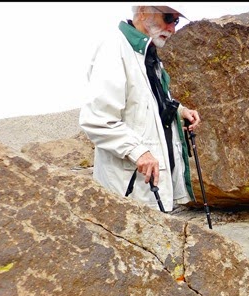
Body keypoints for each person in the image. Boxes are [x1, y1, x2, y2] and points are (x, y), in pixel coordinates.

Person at [79, 5, 201, 212]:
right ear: (143, 11)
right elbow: (97, 119)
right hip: (129, 191)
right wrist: (138, 152)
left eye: (176, 21)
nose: (172, 28)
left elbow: (149, 100)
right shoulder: (114, 48)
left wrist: (180, 111)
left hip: (150, 188)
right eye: (168, 18)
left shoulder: (147, 54)